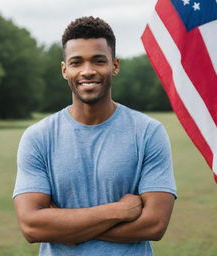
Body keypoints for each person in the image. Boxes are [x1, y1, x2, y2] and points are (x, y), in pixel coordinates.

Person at [13, 16, 177, 256]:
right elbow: (31, 226)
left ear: (115, 65)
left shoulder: (148, 132)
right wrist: (117, 211)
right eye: (77, 62)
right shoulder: (37, 137)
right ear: (64, 69)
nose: (87, 71)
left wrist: (63, 226)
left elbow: (154, 225)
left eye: (99, 61)